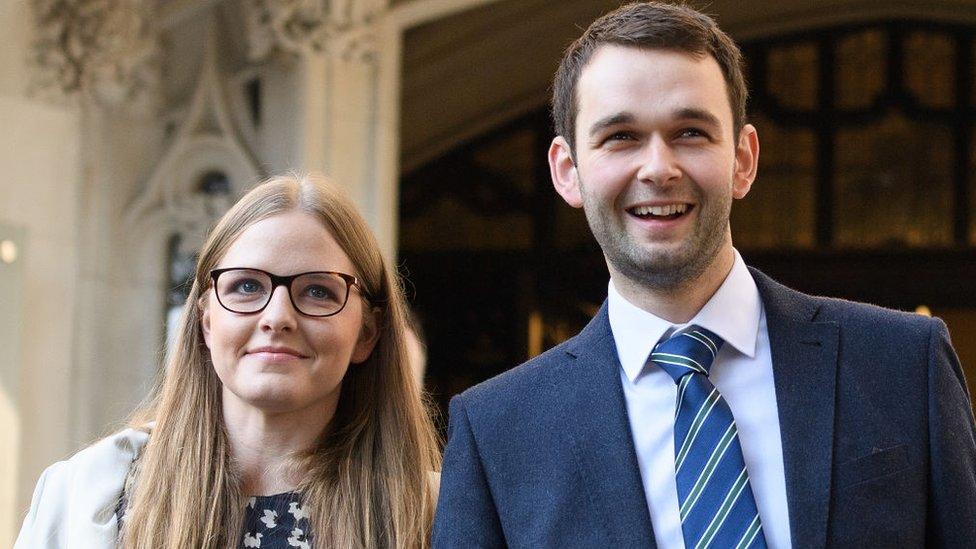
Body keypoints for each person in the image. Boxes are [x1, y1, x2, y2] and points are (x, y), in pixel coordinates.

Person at [433, 2, 976, 548]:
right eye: (620, 136)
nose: (659, 167)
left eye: (690, 132)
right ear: (567, 171)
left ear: (743, 158)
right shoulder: (498, 431)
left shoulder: (903, 364)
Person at [17, 173, 441, 548]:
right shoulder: (91, 496)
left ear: (366, 333)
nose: (277, 317)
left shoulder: (430, 515)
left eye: (318, 291)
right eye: (245, 286)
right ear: (205, 321)